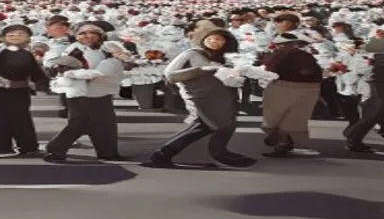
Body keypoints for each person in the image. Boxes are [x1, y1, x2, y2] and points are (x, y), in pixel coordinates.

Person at [150, 27, 256, 169]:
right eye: (210, 38)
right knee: (205, 126)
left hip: (220, 98)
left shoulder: (223, 56)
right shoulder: (192, 53)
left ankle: (219, 152)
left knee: (218, 126)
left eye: (218, 39)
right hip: (200, 97)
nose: (213, 41)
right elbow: (171, 75)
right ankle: (163, 154)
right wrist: (200, 70)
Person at [42, 23, 132, 163]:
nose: (87, 36)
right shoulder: (73, 50)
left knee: (100, 124)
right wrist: (88, 74)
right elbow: (63, 68)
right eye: (82, 33)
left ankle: (107, 152)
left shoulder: (107, 48)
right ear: (77, 36)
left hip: (101, 91)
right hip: (82, 91)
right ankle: (56, 149)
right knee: (85, 123)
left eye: (92, 33)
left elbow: (124, 62)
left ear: (100, 36)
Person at [0, 24, 48, 158]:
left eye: (21, 35)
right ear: (3, 38)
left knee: (23, 119)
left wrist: (42, 84)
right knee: (0, 120)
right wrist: (4, 83)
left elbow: (36, 73)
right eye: (12, 35)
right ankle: (2, 148)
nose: (17, 38)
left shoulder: (26, 53)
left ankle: (29, 147)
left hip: (20, 92)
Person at [260, 34, 323, 157]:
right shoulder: (302, 55)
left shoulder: (281, 55)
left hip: (288, 87)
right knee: (293, 117)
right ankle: (287, 142)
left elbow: (268, 70)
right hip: (305, 87)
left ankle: (284, 142)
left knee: (278, 117)